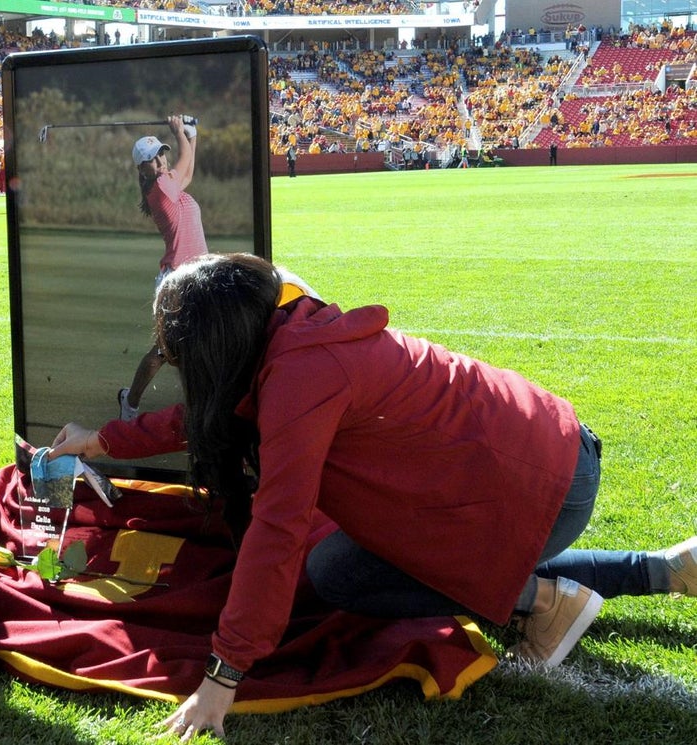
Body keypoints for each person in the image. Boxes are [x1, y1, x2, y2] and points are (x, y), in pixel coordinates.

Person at [48, 253, 697, 741]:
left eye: (176, 349)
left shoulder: (300, 377)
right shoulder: (290, 336)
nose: (173, 360)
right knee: (343, 564)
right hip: (541, 463)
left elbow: (277, 529)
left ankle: (542, 599)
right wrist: (104, 439)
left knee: (340, 570)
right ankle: (666, 568)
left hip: (537, 486)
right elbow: (218, 413)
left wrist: (223, 677)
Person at [118, 115, 208, 422]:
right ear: (142, 170)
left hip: (197, 276)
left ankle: (200, 407)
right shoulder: (158, 188)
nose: (158, 162)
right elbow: (184, 164)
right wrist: (181, 133)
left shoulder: (172, 186)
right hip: (176, 279)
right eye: (150, 161)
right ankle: (129, 404)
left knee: (195, 348)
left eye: (160, 155)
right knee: (162, 352)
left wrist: (192, 137)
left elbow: (188, 170)